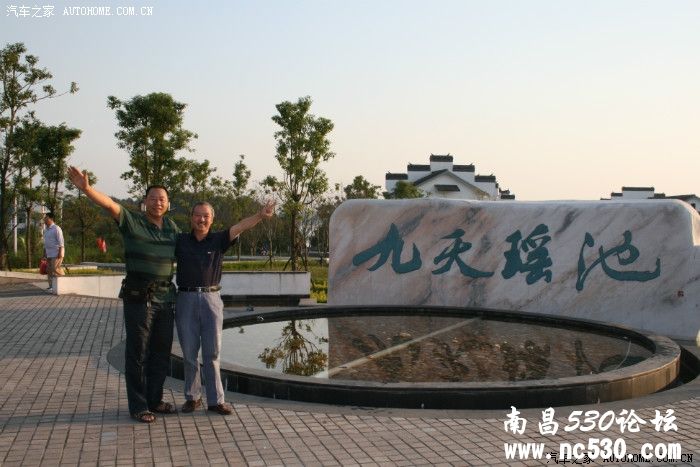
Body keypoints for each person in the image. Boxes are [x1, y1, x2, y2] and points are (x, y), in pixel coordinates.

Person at [68, 165, 179, 424]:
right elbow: (110, 205)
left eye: (162, 198)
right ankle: (139, 406)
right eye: (153, 198)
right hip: (139, 298)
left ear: (168, 203)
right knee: (137, 353)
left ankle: (155, 399)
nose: (158, 202)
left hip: (166, 299)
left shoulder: (172, 228)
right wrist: (87, 189)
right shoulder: (133, 221)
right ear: (145, 203)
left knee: (161, 353)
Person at [176, 200, 274, 415]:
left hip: (211, 299)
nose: (201, 219)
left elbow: (240, 227)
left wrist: (260, 215)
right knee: (189, 353)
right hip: (185, 298)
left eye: (206, 216)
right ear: (191, 217)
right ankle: (192, 397)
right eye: (197, 215)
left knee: (212, 353)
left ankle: (216, 400)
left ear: (212, 219)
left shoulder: (219, 239)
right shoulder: (180, 240)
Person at [42, 212, 64, 291]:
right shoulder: (46, 230)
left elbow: (61, 242)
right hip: (48, 253)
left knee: (55, 269)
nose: (44, 219)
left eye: (46, 218)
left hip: (56, 253)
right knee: (49, 270)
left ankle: (64, 281)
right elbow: (45, 243)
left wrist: (60, 253)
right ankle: (51, 286)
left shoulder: (56, 228)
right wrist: (44, 253)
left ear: (51, 219)